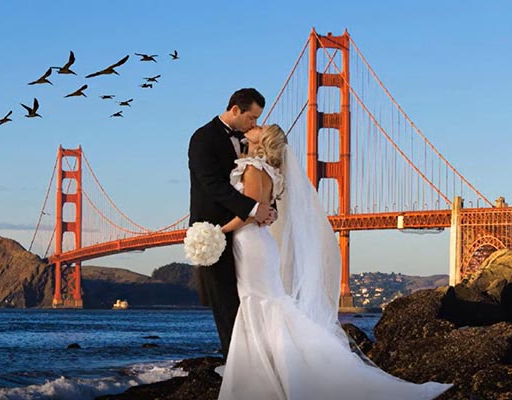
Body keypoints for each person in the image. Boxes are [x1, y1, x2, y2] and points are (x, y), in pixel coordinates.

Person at [217, 124, 453, 400]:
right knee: (265, 303)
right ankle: (270, 375)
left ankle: (262, 382)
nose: (254, 127)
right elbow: (265, 211)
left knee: (259, 302)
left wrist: (216, 230)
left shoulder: (254, 168)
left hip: (252, 242)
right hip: (257, 243)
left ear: (263, 140)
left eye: (260, 127)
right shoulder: (269, 171)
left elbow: (253, 211)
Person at [187, 88, 276, 360]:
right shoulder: (203, 138)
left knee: (248, 296)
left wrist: (268, 209)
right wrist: (254, 209)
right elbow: (211, 185)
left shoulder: (251, 148)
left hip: (244, 230)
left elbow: (260, 186)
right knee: (223, 300)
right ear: (235, 110)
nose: (255, 125)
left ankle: (251, 358)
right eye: (251, 118)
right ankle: (234, 359)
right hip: (212, 229)